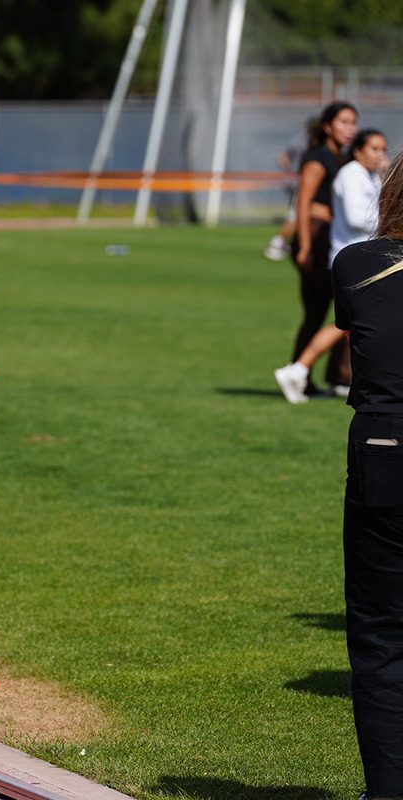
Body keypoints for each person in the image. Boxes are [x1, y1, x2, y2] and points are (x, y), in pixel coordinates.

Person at [332, 150, 403, 800]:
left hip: (384, 447)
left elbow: (362, 339)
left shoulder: (356, 263)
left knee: (381, 633)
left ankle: (385, 788)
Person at [275, 128, 386, 404]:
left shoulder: (370, 175)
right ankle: (297, 370)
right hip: (350, 258)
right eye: (374, 149)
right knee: (348, 321)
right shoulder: (350, 174)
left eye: (383, 149)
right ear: (358, 150)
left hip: (365, 257)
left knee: (355, 321)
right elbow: (355, 216)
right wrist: (388, 223)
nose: (380, 155)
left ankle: (345, 379)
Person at [286, 101, 358, 397]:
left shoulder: (342, 159)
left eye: (353, 122)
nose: (350, 128)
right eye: (343, 122)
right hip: (316, 241)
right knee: (348, 309)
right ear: (328, 126)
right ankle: (335, 377)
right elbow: (302, 203)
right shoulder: (318, 159)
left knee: (323, 313)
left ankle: (308, 376)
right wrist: (303, 245)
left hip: (329, 240)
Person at [264, 118, 319, 261]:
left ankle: (294, 243)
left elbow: (282, 159)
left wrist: (288, 172)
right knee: (297, 213)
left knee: (303, 213)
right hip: (301, 183)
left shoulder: (297, 139)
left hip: (294, 181)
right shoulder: (311, 141)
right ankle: (277, 242)